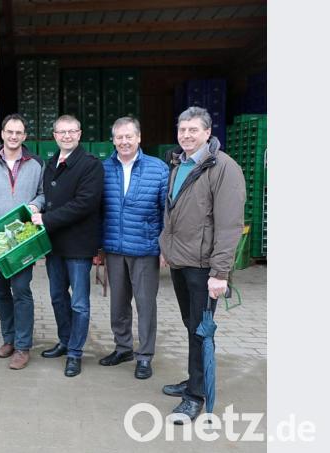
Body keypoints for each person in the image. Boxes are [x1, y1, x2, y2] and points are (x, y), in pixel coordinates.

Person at [159, 107, 245, 421]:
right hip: (181, 261)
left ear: (207, 133)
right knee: (191, 324)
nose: (186, 135)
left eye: (193, 130)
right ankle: (194, 379)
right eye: (182, 130)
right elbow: (172, 210)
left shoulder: (223, 168)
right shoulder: (179, 163)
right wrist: (166, 248)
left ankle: (195, 396)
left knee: (201, 329)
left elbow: (229, 225)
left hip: (203, 266)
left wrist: (220, 272)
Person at [98, 117, 168, 380]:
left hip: (145, 248)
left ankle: (145, 355)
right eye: (119, 137)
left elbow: (167, 211)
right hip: (114, 247)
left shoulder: (157, 168)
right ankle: (123, 348)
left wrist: (165, 247)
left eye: (129, 136)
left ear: (139, 138)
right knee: (118, 303)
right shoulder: (104, 168)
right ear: (113, 140)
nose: (124, 141)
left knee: (145, 304)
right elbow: (98, 209)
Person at [33, 114, 103, 378]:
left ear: (80, 134)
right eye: (61, 132)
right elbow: (46, 196)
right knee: (57, 296)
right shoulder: (51, 163)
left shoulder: (90, 164)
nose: (67, 136)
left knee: (79, 303)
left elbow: (85, 203)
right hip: (54, 244)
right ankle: (64, 340)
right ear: (54, 136)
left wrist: (46, 219)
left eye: (71, 131)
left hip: (78, 245)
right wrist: (36, 209)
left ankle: (75, 352)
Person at [0, 114, 44, 370]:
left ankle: (23, 346)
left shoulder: (36, 163)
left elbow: (44, 193)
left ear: (24, 136)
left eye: (18, 132)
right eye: (9, 132)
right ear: (2, 134)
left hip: (22, 240)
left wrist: (35, 205)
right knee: (1, 292)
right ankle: (9, 339)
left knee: (21, 290)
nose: (14, 136)